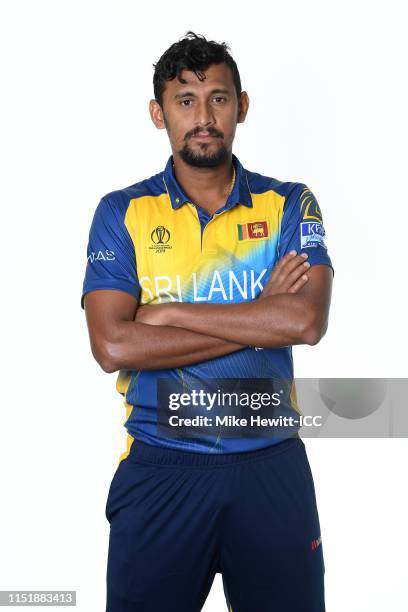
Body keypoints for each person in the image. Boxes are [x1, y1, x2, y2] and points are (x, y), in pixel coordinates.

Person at [81, 31, 333, 612]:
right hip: (160, 467)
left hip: (271, 465)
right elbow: (113, 344)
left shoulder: (288, 204)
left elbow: (306, 321)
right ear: (158, 113)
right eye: (185, 101)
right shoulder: (122, 212)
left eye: (218, 98)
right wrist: (258, 314)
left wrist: (167, 315)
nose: (203, 117)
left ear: (241, 106)